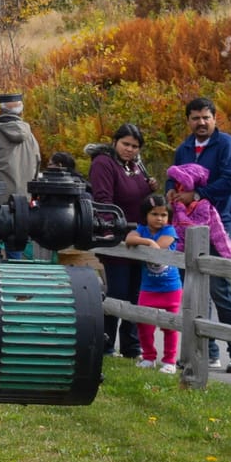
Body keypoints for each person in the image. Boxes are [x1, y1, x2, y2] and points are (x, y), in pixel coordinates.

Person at [172, 97, 231, 372]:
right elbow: (174, 177)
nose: (201, 122)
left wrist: (198, 195)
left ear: (215, 118)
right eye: (195, 118)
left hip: (218, 225)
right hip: (187, 228)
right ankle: (206, 352)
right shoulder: (183, 149)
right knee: (194, 290)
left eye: (206, 117)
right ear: (188, 121)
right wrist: (171, 190)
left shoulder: (227, 145)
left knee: (219, 288)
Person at [89, 123, 153, 359]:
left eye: (135, 146)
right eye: (126, 144)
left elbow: (139, 198)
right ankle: (106, 344)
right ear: (115, 142)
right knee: (118, 292)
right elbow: (102, 200)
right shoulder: (103, 163)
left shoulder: (135, 166)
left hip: (139, 237)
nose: (130, 149)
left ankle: (131, 346)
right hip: (116, 238)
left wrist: (149, 188)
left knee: (136, 293)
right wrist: (114, 231)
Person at [123, 194, 182, 373]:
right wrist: (147, 240)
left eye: (163, 215)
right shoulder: (141, 229)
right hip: (148, 287)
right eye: (154, 214)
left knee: (169, 325)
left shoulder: (169, 232)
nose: (159, 218)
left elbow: (158, 248)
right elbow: (129, 239)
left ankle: (169, 361)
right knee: (144, 324)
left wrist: (147, 242)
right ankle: (149, 357)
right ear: (145, 215)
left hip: (170, 288)